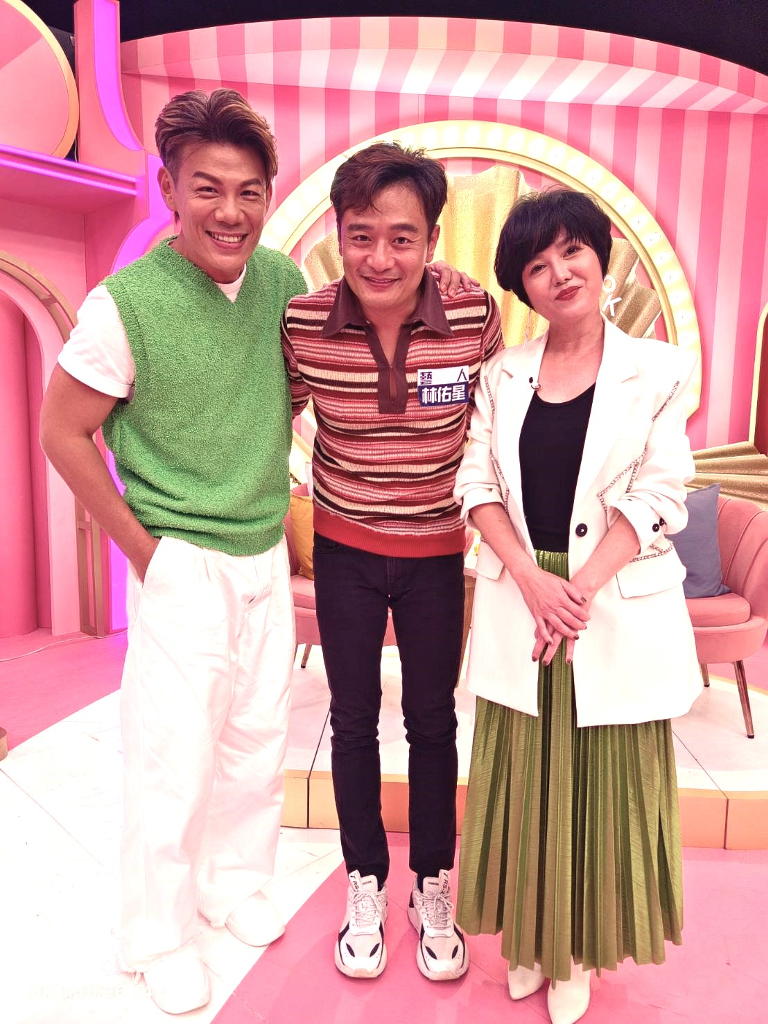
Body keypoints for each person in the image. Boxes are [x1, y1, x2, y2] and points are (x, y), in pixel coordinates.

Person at [39, 88, 310, 1016]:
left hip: (264, 546)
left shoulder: (282, 281)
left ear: (268, 194)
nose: (230, 211)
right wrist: (143, 551)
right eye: (208, 188)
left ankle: (233, 885)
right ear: (169, 189)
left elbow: (288, 393)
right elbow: (63, 431)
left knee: (257, 739)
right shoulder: (126, 305)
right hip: (182, 556)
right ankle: (155, 935)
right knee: (173, 757)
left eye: (249, 191)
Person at [453, 189, 701, 1024]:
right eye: (536, 264)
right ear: (521, 285)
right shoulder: (501, 376)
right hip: (524, 599)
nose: (558, 272)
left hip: (608, 602)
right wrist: (531, 579)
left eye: (571, 252)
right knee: (523, 781)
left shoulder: (659, 369)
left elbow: (662, 491)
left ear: (601, 257)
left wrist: (579, 589)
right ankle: (528, 941)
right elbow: (475, 484)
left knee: (603, 788)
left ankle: (581, 954)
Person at [282, 142, 503, 983]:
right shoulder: (303, 324)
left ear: (432, 240)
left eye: (402, 237)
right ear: (337, 234)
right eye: (362, 236)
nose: (381, 257)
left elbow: (500, 426)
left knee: (434, 722)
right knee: (351, 718)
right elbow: (269, 417)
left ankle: (432, 882)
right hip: (344, 549)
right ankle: (366, 880)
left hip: (438, 553)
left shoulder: (474, 314)